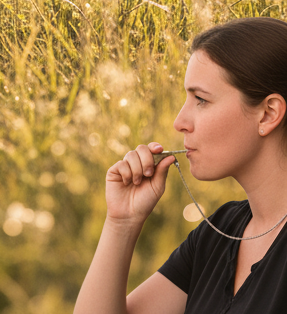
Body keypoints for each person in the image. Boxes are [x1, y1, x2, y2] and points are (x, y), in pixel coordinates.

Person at [74, 17, 287, 314]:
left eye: (201, 99)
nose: (180, 122)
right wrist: (121, 223)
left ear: (267, 114)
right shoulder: (218, 233)